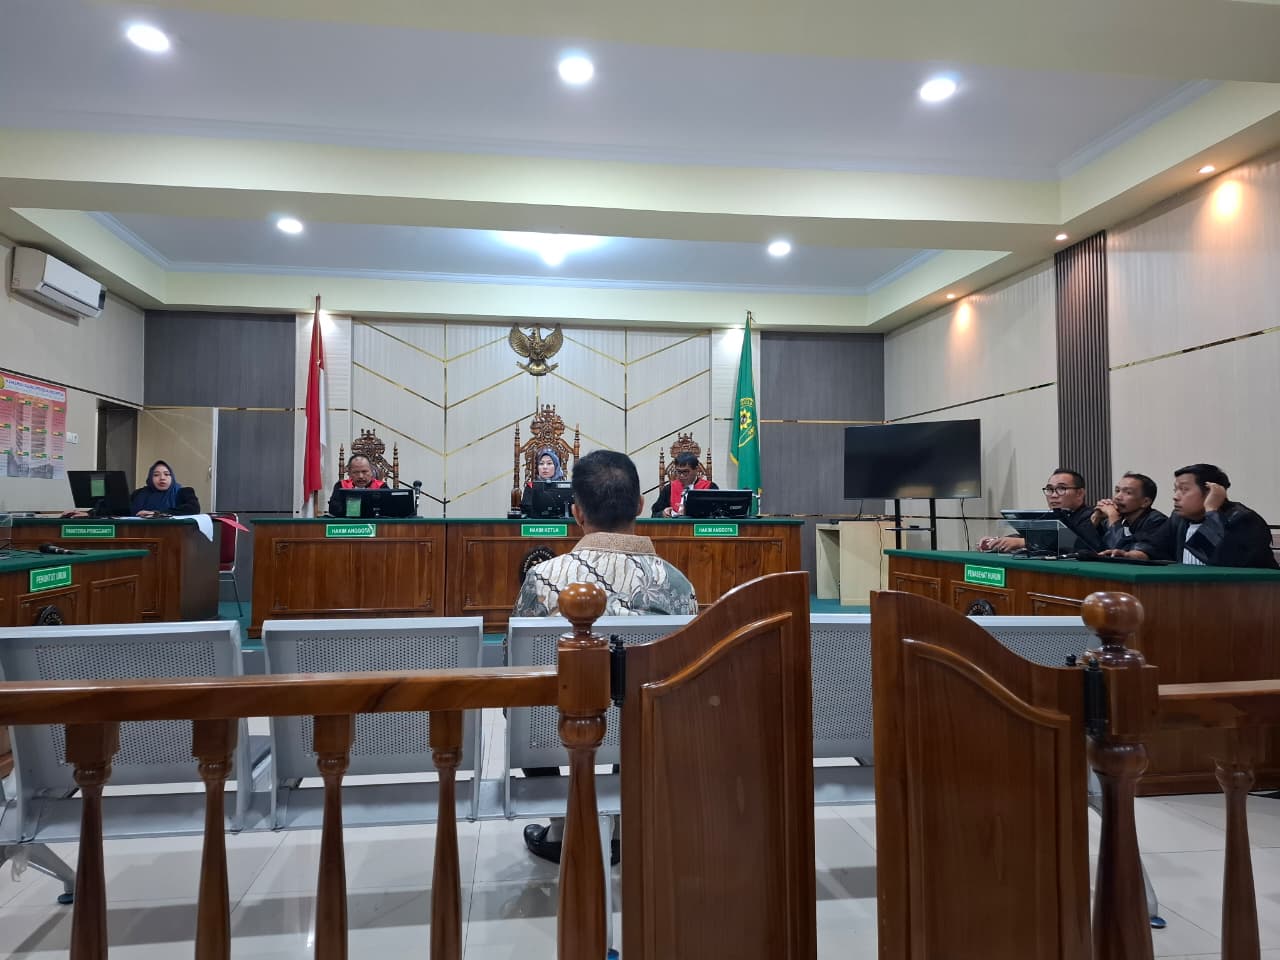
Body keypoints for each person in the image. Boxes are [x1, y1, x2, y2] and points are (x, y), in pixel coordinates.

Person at [514, 449, 697, 864]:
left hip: (559, 725)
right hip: (645, 725)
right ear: (640, 506)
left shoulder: (544, 577)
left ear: (577, 512)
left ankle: (563, 825)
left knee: (525, 702)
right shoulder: (677, 584)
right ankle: (618, 823)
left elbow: (517, 672)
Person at [1140, 464, 1278, 568]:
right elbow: (1155, 544)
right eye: (1175, 490)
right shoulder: (1179, 519)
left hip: (1247, 593)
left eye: (1184, 489)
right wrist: (1140, 553)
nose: (1175, 497)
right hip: (1194, 590)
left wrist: (1212, 511)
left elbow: (1217, 559)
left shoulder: (1243, 519)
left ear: (1210, 492)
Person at [977, 468, 1103, 553]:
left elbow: (1075, 544)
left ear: (1080, 493)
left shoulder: (1092, 516)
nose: (1053, 495)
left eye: (1061, 489)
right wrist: (998, 541)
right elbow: (1028, 536)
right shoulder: (1051, 516)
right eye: (1050, 489)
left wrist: (1023, 543)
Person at [1094, 472, 1171, 559]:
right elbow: (1088, 550)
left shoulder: (1157, 522)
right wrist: (1096, 519)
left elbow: (1121, 554)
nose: (1117, 497)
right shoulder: (1117, 519)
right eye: (1117, 491)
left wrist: (1113, 518)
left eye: (1128, 492)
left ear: (1145, 502)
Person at [650, 452, 718, 518]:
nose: (681, 475)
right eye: (678, 472)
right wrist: (663, 513)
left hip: (699, 525)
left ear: (696, 469)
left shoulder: (710, 488)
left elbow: (717, 514)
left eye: (685, 471)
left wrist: (690, 512)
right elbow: (654, 514)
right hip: (675, 525)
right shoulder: (669, 488)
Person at [128, 460, 201, 517]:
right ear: (150, 478)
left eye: (166, 474)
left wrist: (157, 514)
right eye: (156, 475)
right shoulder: (138, 493)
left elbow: (194, 508)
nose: (162, 478)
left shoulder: (183, 492)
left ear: (172, 477)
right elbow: (125, 511)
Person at [519, 448, 566, 516]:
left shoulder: (564, 487)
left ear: (556, 466)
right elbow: (525, 510)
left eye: (549, 463)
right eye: (541, 463)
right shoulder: (531, 486)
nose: (545, 467)